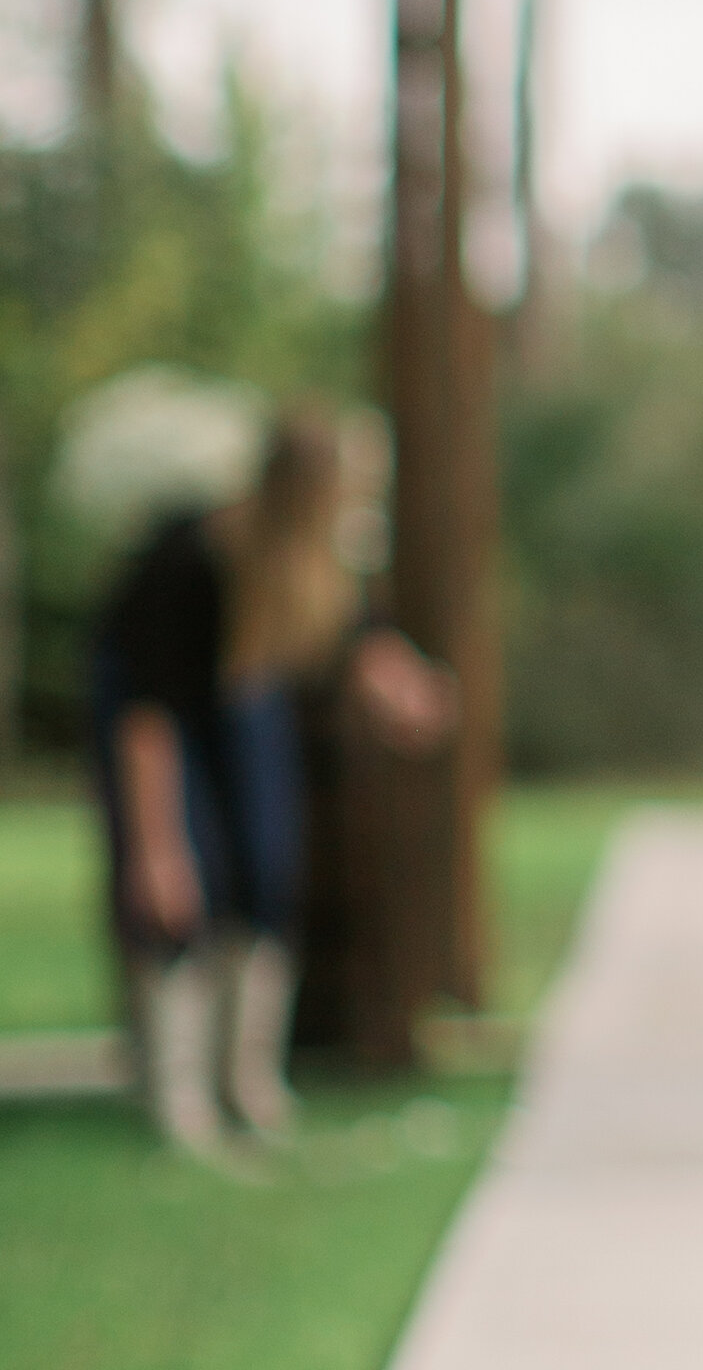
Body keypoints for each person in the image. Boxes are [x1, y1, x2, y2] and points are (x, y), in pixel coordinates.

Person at [90, 402, 453, 1152]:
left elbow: (360, 636)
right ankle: (179, 1101)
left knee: (265, 870)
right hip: (152, 721)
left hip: (238, 699)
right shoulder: (187, 561)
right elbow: (146, 719)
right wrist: (158, 850)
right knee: (186, 895)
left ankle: (248, 1087)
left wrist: (403, 687)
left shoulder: (315, 565)